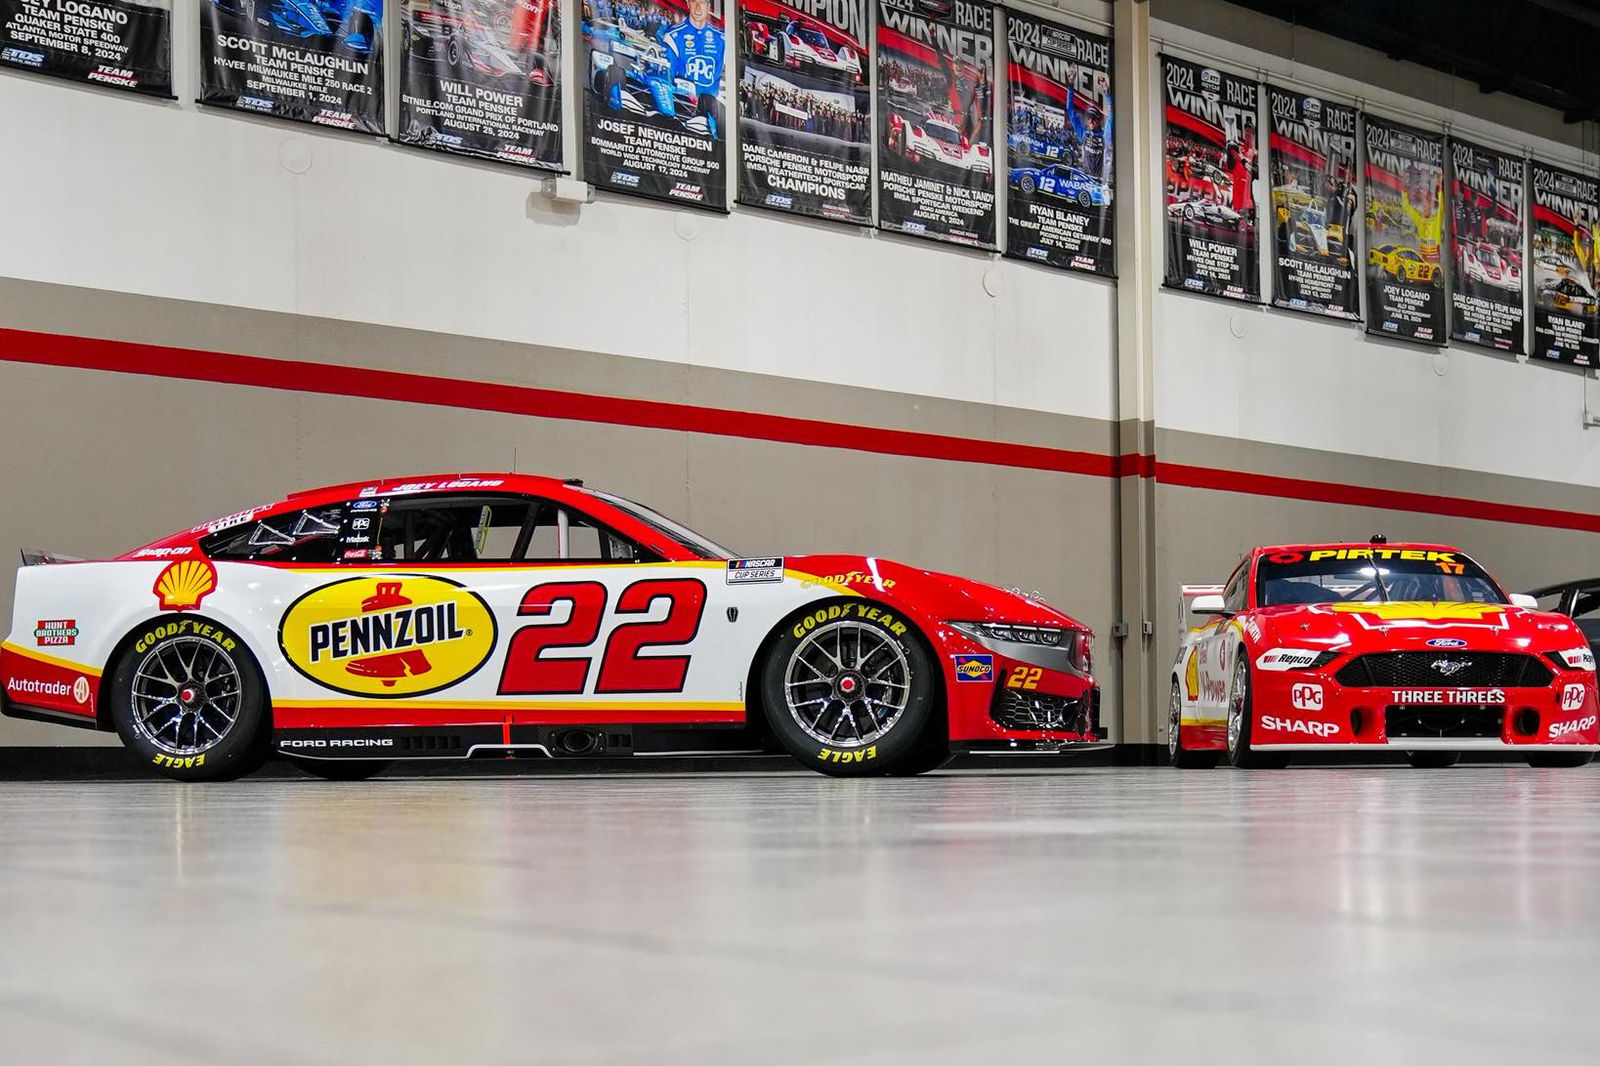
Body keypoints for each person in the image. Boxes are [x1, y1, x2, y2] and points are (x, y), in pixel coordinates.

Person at [659, 0, 726, 138]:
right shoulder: (673, 36)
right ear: (688, 4)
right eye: (694, 1)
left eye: (702, 2)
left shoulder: (722, 39)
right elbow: (666, 76)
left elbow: (727, 77)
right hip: (681, 107)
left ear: (708, 6)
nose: (698, 7)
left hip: (712, 113)